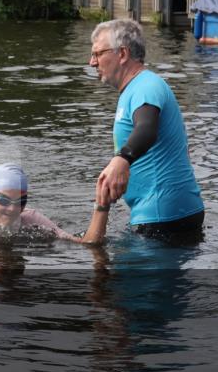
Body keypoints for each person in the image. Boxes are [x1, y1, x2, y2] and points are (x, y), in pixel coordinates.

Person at [87, 19, 204, 242]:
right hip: (164, 213)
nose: (92, 62)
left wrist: (122, 159)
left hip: (163, 218)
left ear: (122, 54)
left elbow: (146, 129)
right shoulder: (135, 89)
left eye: (98, 54)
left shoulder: (146, 86)